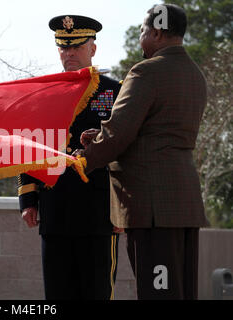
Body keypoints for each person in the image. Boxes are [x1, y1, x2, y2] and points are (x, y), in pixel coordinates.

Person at [77, 4, 208, 299]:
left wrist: (82, 161)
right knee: (180, 290)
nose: (139, 38)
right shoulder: (195, 74)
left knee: (158, 292)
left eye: (142, 31)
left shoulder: (147, 71)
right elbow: (156, 130)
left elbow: (119, 134)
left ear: (157, 32)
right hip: (183, 200)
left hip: (152, 206)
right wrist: (99, 136)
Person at [18, 15, 121, 300]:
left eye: (76, 47)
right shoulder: (44, 94)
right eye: (64, 48)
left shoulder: (115, 92)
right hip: (56, 210)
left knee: (97, 292)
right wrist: (28, 199)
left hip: (99, 214)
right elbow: (29, 147)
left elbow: (128, 152)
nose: (69, 53)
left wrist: (123, 206)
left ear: (93, 49)